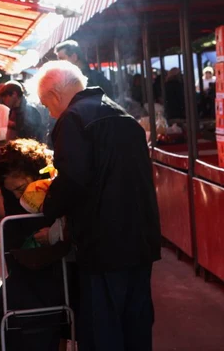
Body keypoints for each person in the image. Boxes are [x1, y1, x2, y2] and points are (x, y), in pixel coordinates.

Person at [34, 61, 161, 351]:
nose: (50, 113)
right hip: (141, 236)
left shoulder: (73, 119)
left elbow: (74, 179)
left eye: (46, 105)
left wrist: (49, 207)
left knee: (103, 326)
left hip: (105, 241)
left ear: (55, 94)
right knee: (136, 322)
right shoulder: (119, 112)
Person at [0, 139, 75, 351]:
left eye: (20, 188)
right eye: (11, 191)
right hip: (30, 275)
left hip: (51, 277)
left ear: (35, 174)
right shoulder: (15, 200)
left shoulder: (51, 188)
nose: (17, 195)